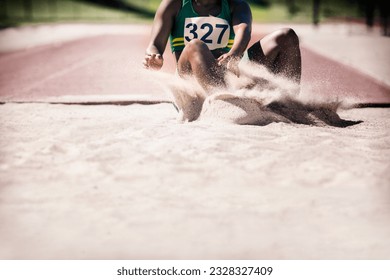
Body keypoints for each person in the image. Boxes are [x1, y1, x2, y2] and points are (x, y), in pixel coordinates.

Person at [143, 0, 301, 93]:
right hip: (191, 82)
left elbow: (243, 29)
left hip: (229, 76)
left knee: (286, 36)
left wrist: (235, 53)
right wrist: (153, 56)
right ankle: (223, 102)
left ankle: (289, 104)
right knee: (196, 45)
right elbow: (155, 45)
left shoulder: (236, 4)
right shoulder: (174, 4)